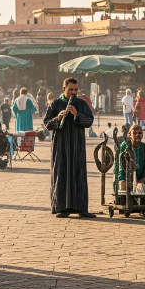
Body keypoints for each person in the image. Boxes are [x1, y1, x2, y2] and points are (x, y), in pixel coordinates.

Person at [44, 78, 95, 218]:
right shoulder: (56, 104)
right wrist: (58, 118)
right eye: (70, 89)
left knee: (79, 174)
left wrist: (76, 115)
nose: (73, 92)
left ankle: (81, 208)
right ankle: (61, 207)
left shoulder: (81, 104)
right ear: (63, 89)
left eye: (75, 90)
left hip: (77, 146)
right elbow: (47, 123)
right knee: (61, 173)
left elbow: (89, 121)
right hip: (60, 146)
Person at [116, 124, 145, 190]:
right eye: (134, 133)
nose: (137, 135)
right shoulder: (125, 146)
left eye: (139, 133)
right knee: (122, 185)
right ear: (129, 134)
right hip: (125, 176)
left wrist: (141, 181)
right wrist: (129, 182)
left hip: (140, 176)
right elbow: (121, 167)